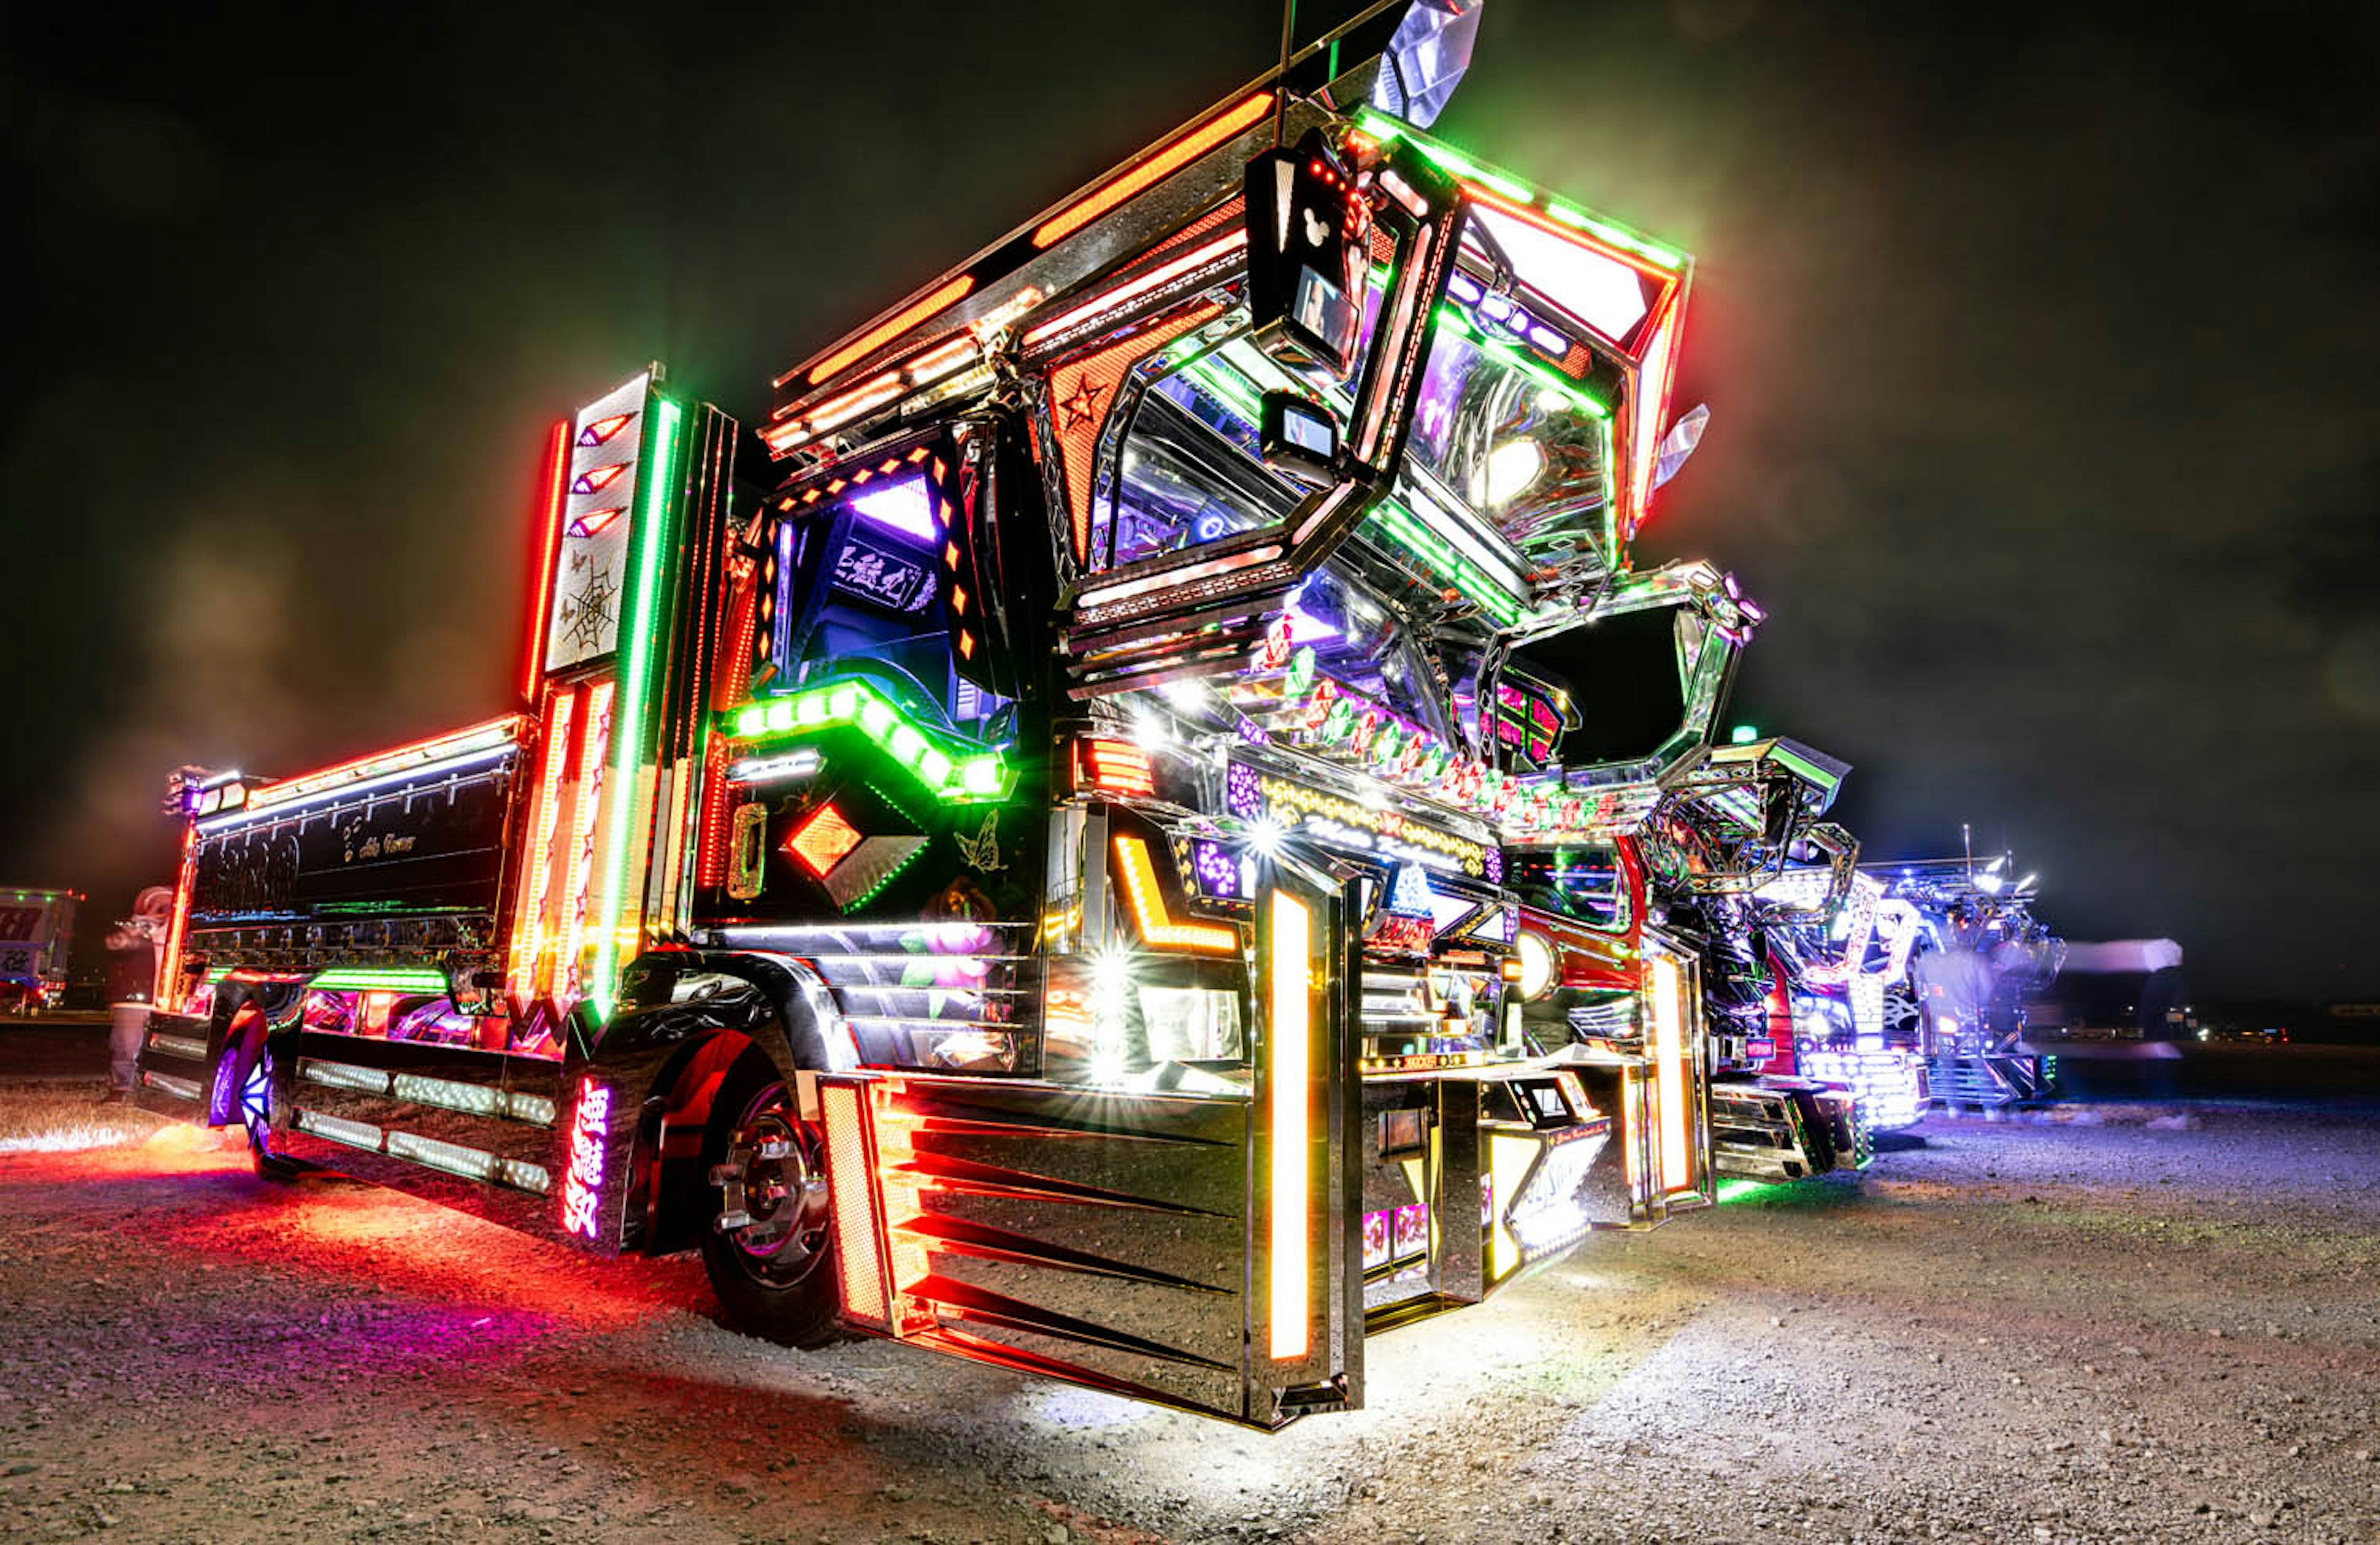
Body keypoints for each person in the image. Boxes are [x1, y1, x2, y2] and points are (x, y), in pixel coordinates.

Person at [98, 889, 170, 1103]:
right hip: (135, 999)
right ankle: (120, 1089)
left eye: (169, 902)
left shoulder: (183, 931)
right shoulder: (135, 928)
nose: (164, 907)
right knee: (125, 1047)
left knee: (170, 1051)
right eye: (158, 904)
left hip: (172, 1000)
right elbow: (114, 944)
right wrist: (137, 931)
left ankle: (161, 1094)